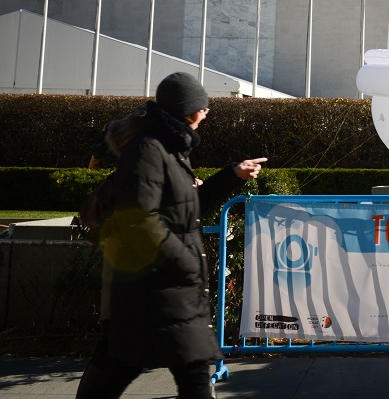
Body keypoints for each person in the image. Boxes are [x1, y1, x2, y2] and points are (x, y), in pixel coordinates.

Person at [76, 72, 267, 399]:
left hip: (167, 287)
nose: (206, 113)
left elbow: (186, 210)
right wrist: (184, 261)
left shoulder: (170, 147)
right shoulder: (149, 149)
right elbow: (139, 219)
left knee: (187, 372)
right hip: (154, 287)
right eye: (202, 107)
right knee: (126, 365)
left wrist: (232, 176)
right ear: (186, 110)